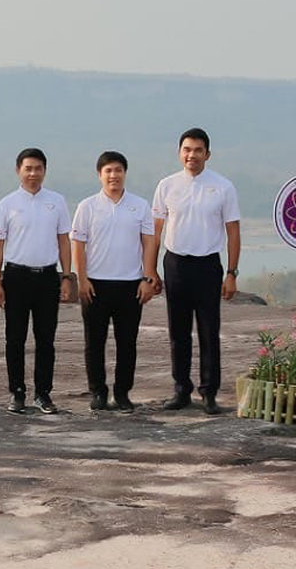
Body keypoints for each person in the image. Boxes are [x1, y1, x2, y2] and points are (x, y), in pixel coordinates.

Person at [150, 127, 241, 414]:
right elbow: (155, 231)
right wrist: (150, 270)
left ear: (208, 154)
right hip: (176, 263)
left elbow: (233, 232)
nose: (192, 155)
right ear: (180, 153)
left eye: (198, 150)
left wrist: (232, 272)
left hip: (208, 265)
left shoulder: (223, 186)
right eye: (187, 149)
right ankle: (181, 390)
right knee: (178, 332)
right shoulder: (167, 185)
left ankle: (209, 392)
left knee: (208, 330)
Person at [71, 150, 157, 412]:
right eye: (108, 170)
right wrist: (81, 280)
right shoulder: (87, 206)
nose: (113, 175)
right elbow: (78, 244)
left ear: (125, 173)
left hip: (130, 284)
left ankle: (122, 393)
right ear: (99, 175)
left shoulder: (139, 205)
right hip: (96, 284)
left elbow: (149, 243)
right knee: (94, 342)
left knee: (127, 342)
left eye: (118, 170)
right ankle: (98, 392)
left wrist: (148, 277)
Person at [0, 147, 72, 414]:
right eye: (28, 168)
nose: (33, 173)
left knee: (45, 339)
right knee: (14, 338)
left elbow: (63, 241)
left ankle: (43, 394)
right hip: (16, 277)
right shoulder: (7, 204)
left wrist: (66, 276)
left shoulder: (57, 201)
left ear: (44, 171)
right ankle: (17, 392)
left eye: (38, 168)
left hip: (47, 276)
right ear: (18, 171)